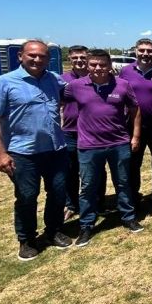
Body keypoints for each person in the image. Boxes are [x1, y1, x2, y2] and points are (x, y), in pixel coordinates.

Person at [0, 40, 72, 260]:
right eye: (32, 55)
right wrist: (0, 154)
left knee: (58, 193)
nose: (37, 59)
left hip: (55, 148)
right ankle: (26, 239)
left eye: (42, 56)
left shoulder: (54, 80)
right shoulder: (4, 83)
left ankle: (54, 230)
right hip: (22, 152)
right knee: (27, 196)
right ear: (21, 56)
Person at [65, 50, 143, 247]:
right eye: (94, 64)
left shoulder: (122, 85)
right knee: (89, 186)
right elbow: (58, 103)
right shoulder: (75, 86)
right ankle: (86, 225)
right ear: (88, 66)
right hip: (89, 145)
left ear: (110, 66)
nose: (98, 68)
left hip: (119, 143)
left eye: (102, 64)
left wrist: (135, 136)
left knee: (123, 182)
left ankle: (128, 217)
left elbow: (135, 110)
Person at [119, 38, 152, 214]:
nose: (145, 54)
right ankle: (133, 198)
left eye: (149, 51)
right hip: (133, 127)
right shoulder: (126, 71)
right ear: (136, 51)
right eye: (142, 50)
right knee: (133, 163)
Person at [61, 45, 90, 218]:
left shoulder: (97, 76)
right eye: (75, 58)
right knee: (70, 170)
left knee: (94, 171)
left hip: (93, 131)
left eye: (82, 57)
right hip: (70, 131)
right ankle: (71, 204)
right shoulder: (62, 79)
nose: (79, 61)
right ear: (70, 59)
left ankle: (96, 202)